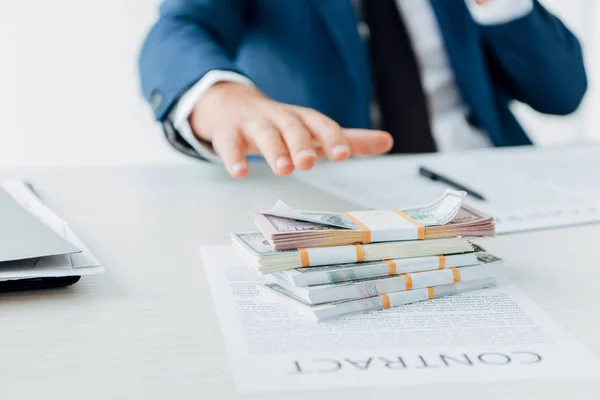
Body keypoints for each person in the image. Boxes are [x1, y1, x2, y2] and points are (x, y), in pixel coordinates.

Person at [138, 0, 587, 178]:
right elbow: (180, 28)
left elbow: (562, 93)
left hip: (491, 179)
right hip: (332, 189)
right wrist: (222, 97)